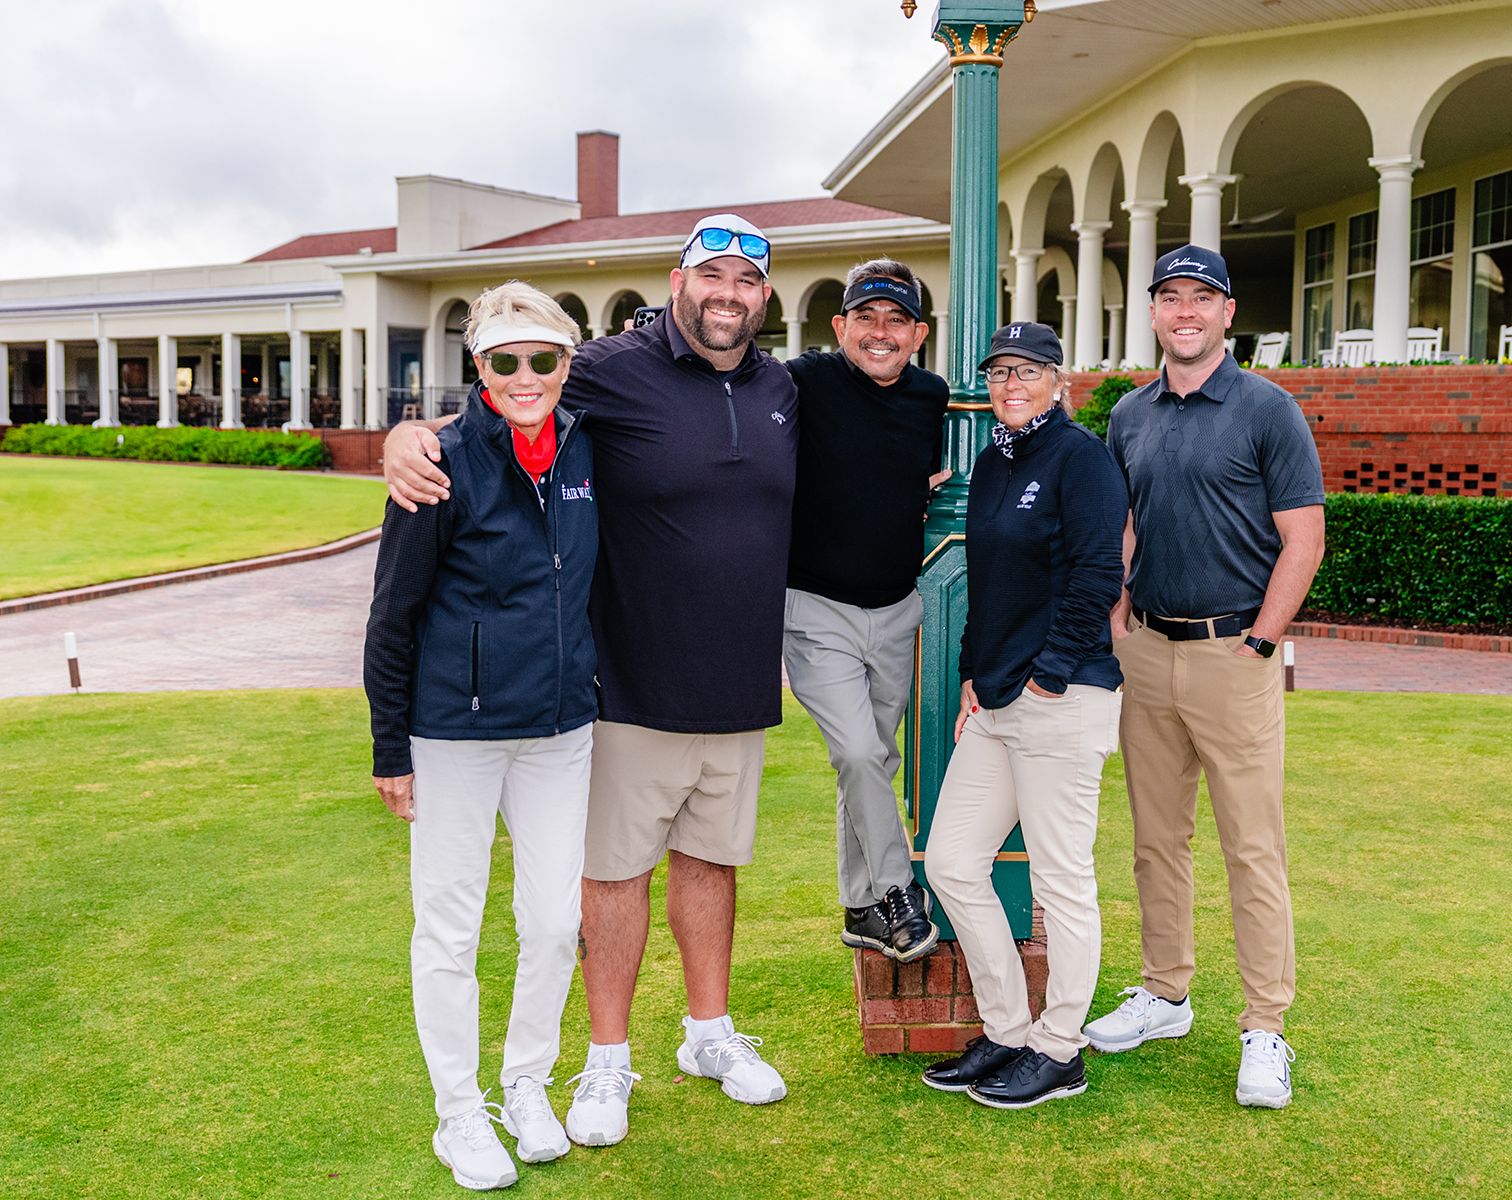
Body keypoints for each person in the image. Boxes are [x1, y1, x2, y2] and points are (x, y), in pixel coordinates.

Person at [381, 215, 797, 1145]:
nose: (728, 294)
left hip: (735, 685)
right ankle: (604, 1058)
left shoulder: (781, 386)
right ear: (679, 281)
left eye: (746, 281)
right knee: (610, 876)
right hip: (624, 686)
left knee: (709, 863)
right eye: (712, 275)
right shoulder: (608, 367)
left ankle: (709, 1033)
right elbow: (505, 394)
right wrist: (405, 436)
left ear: (764, 296)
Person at [1080, 245, 1325, 1110]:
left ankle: (1266, 1027)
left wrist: (1261, 641)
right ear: (1154, 312)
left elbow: (1304, 538)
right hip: (1148, 651)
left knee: (1252, 847)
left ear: (1227, 313)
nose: (1185, 312)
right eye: (1171, 297)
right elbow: (1126, 522)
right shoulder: (1130, 413)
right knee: (1156, 839)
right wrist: (1118, 613)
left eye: (1201, 298)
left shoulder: (1268, 409)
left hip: (1234, 656)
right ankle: (1165, 993)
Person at [364, 282, 596, 1190]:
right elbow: (393, 615)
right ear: (480, 366)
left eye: (544, 358)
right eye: (506, 360)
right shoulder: (439, 461)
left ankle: (526, 1082)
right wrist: (390, 749)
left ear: (567, 362)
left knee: (555, 922)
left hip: (560, 729)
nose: (526, 375)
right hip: (453, 734)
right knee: (449, 928)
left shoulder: (588, 448)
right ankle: (458, 1112)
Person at [919, 322, 1127, 1110]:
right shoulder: (993, 461)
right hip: (999, 699)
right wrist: (973, 670)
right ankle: (1008, 1029)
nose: (1012, 384)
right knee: (952, 863)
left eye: (1028, 370)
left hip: (1062, 699)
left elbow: (1098, 572)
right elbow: (987, 578)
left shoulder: (1081, 458)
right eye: (1000, 371)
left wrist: (1049, 674)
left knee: (1062, 881)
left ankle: (1060, 1048)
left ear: (1057, 380)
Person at [783, 258, 950, 964]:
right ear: (840, 326)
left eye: (896, 320)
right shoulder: (802, 380)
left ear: (918, 335)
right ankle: (896, 892)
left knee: (874, 761)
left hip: (898, 607)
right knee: (857, 752)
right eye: (866, 318)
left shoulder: (932, 396)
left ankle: (860, 907)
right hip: (815, 607)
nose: (880, 332)